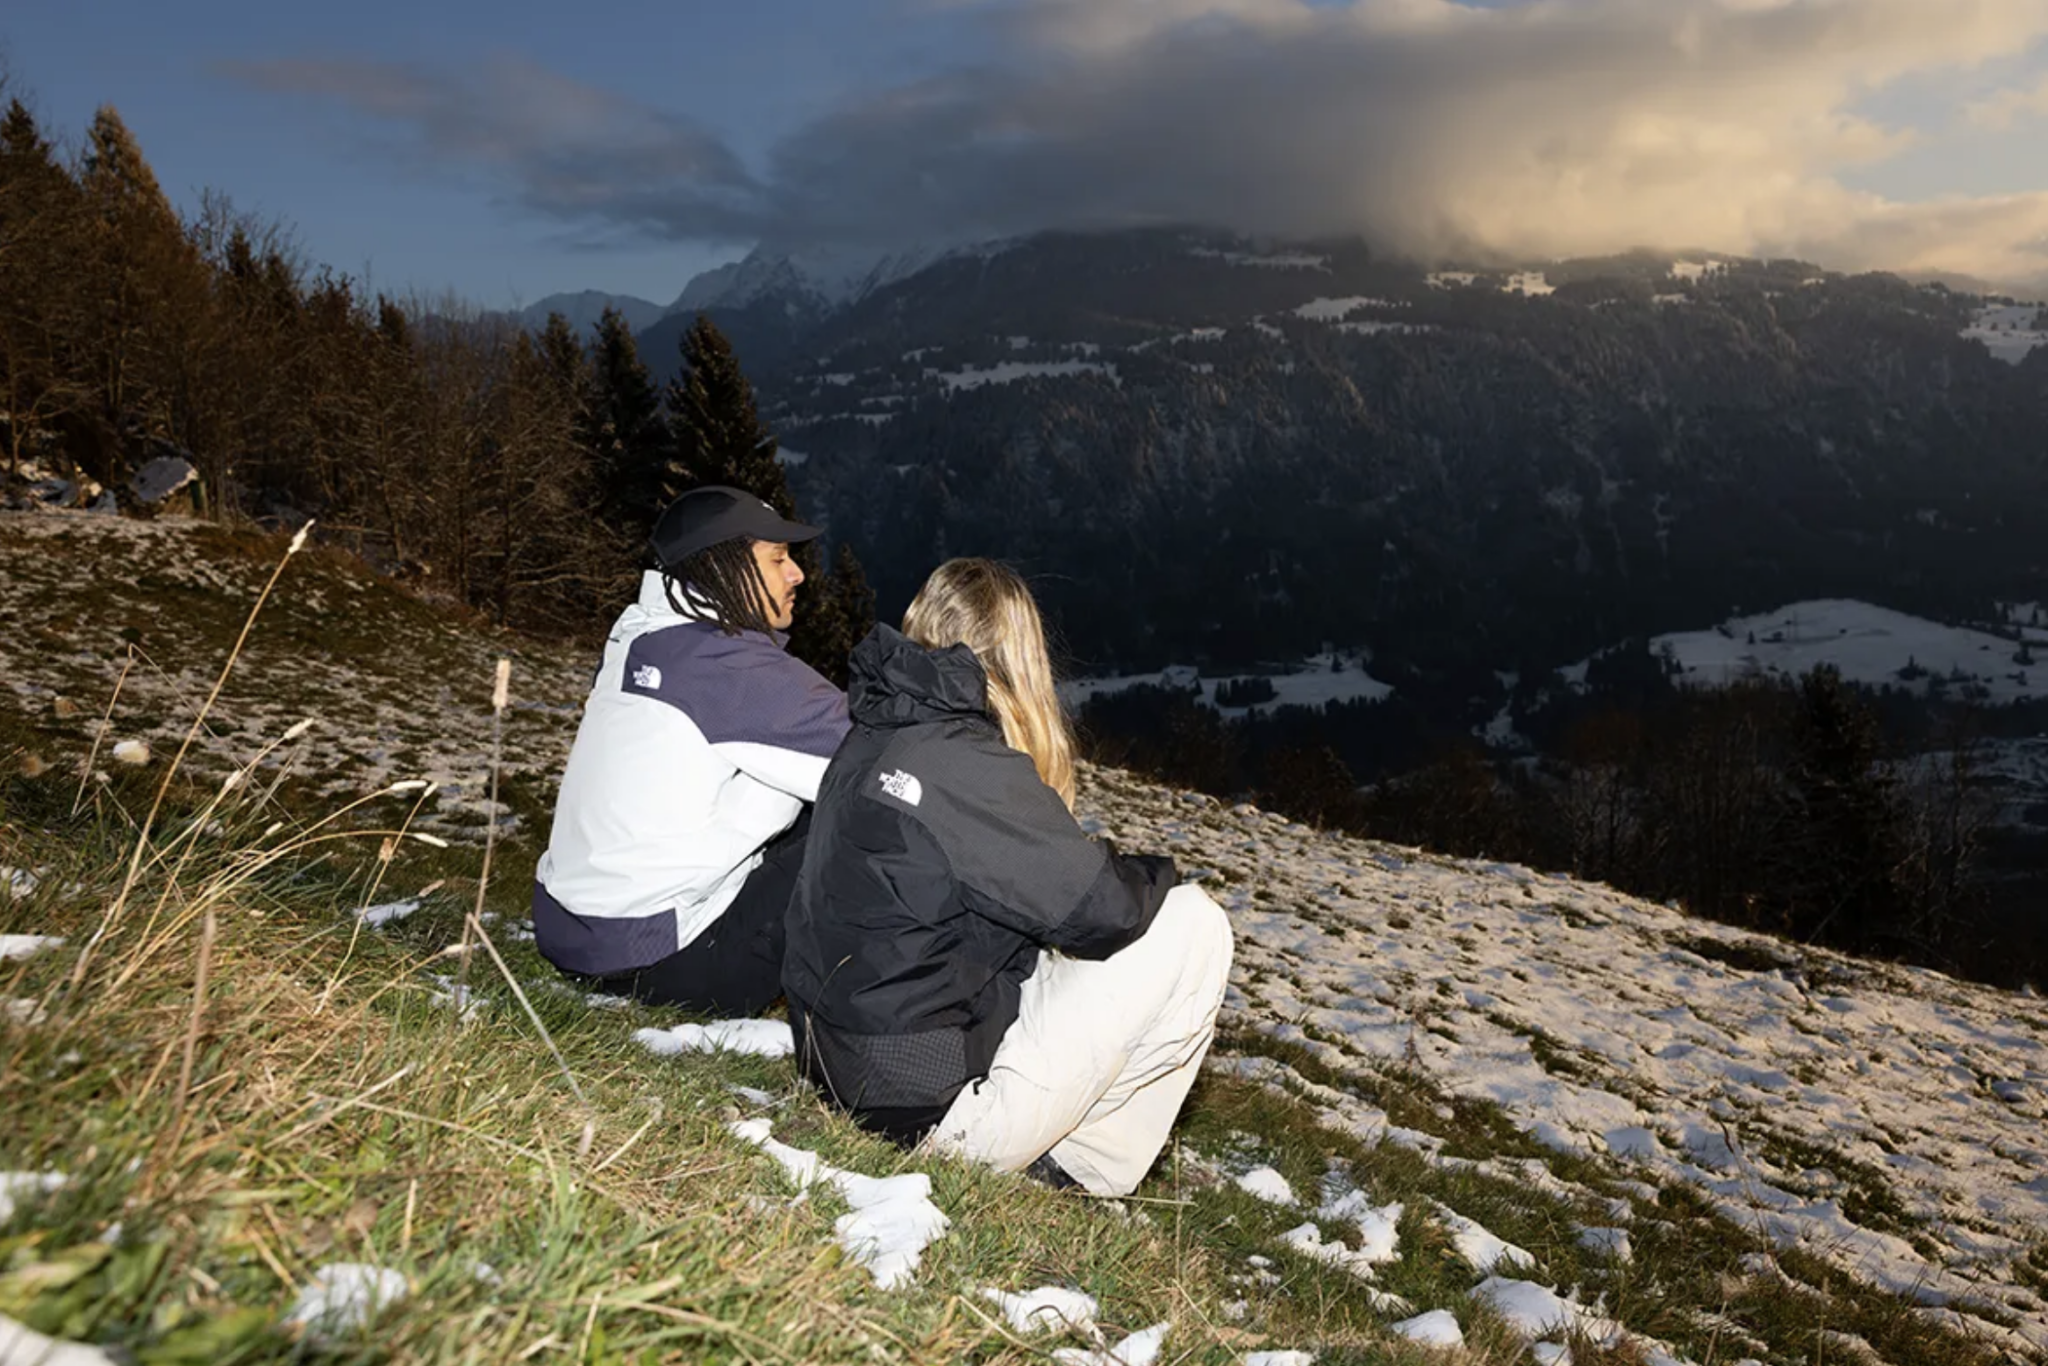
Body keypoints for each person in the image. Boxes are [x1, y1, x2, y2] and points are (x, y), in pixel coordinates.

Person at [783, 558, 1234, 1197]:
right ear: (1019, 660)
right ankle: (1077, 1171)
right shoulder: (960, 762)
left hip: (840, 1069)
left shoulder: (874, 731)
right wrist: (1155, 872)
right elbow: (1104, 908)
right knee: (1192, 922)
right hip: (927, 1118)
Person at [532, 485, 850, 1015]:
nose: (797, 574)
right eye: (777, 559)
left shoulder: (644, 636)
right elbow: (876, 750)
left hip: (577, 936)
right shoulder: (720, 665)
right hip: (665, 963)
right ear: (723, 566)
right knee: (875, 805)